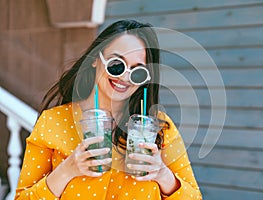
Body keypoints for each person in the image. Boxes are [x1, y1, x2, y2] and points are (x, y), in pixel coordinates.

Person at [15, 19, 202, 199]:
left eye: (137, 71)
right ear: (96, 58)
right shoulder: (53, 121)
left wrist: (162, 174)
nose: (125, 77)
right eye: (116, 65)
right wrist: (67, 170)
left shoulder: (160, 127)